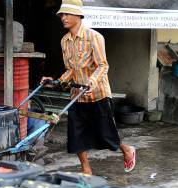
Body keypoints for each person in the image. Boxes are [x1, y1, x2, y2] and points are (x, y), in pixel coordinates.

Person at [41, 0, 136, 175]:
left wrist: (91, 81)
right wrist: (56, 81)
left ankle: (127, 149)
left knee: (105, 133)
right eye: (62, 14)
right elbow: (70, 69)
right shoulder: (65, 41)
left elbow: (103, 65)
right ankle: (86, 169)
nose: (63, 17)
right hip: (77, 94)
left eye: (67, 14)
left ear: (78, 15)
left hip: (97, 94)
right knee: (76, 134)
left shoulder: (94, 37)